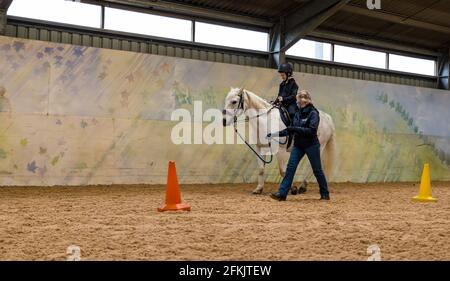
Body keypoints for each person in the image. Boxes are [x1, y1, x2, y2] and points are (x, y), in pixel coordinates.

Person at [267, 90, 330, 201]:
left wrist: (295, 129)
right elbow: (290, 129)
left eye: (302, 100)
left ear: (307, 101)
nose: (300, 102)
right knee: (290, 168)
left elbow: (311, 131)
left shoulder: (313, 113)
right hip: (298, 146)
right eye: (299, 100)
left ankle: (325, 194)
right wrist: (274, 134)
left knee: (317, 170)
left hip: (311, 145)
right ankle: (282, 194)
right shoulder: (297, 113)